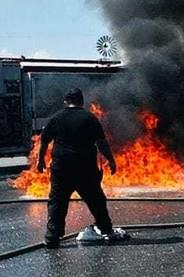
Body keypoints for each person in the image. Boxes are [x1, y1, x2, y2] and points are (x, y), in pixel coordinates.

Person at [35, 88, 128, 248]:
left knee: (57, 202)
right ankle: (106, 229)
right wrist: (111, 160)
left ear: (65, 101)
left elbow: (44, 141)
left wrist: (41, 160)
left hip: (62, 168)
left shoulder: (56, 118)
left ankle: (52, 238)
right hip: (85, 168)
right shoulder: (89, 118)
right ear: (81, 101)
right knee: (97, 200)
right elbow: (101, 142)